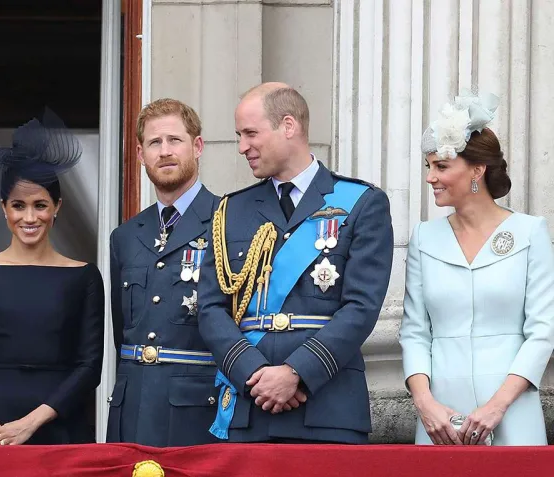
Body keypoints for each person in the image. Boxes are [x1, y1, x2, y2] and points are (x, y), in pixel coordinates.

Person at [197, 83, 393, 444]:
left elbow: (361, 308)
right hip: (249, 404)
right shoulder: (230, 211)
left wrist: (295, 372)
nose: (242, 147)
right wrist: (253, 372)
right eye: (239, 135)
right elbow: (210, 308)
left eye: (250, 133)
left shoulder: (362, 203)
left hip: (328, 407)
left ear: (288, 126)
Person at [399, 91, 554, 446]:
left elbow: (542, 331)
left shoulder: (529, 232)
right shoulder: (424, 237)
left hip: (511, 412)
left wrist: (497, 407)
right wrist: (426, 405)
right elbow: (415, 332)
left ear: (477, 170)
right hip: (440, 417)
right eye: (429, 167)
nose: (430, 178)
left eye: (441, 166)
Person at [0, 110, 104, 445]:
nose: (29, 217)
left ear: (57, 207)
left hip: (60, 426)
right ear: (3, 207)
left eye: (40, 205)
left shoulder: (84, 277)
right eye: (19, 205)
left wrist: (31, 423)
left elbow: (89, 366)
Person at [106, 98, 221, 446]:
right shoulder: (125, 236)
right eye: (155, 143)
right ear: (140, 155)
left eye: (175, 140)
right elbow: (121, 333)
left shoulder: (228, 222)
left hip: (197, 410)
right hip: (132, 406)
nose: (165, 151)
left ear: (197, 146)